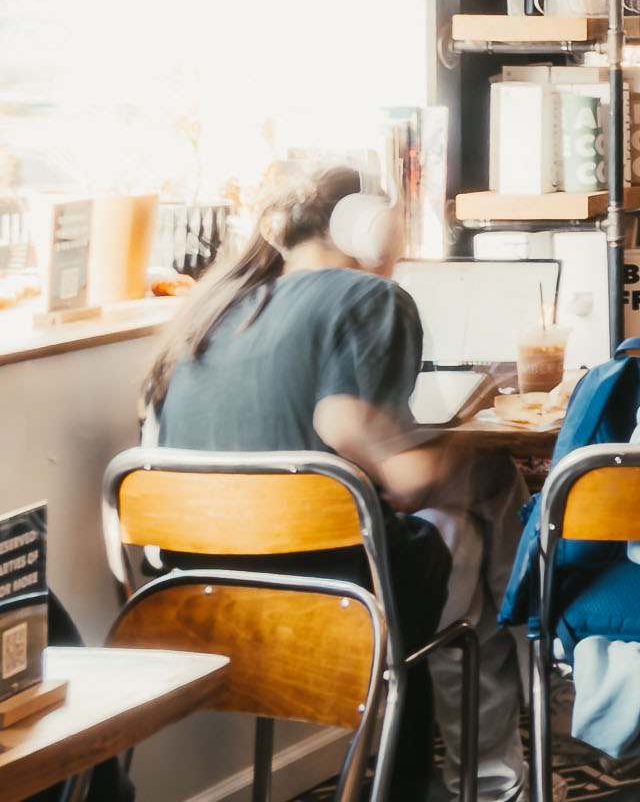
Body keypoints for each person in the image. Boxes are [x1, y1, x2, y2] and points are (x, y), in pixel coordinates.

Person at [141, 164, 521, 802]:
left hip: (190, 599)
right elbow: (399, 476)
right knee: (488, 501)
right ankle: (504, 755)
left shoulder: (210, 312)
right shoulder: (369, 297)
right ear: (369, 229)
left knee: (464, 515)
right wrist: (475, 430)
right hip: (339, 600)